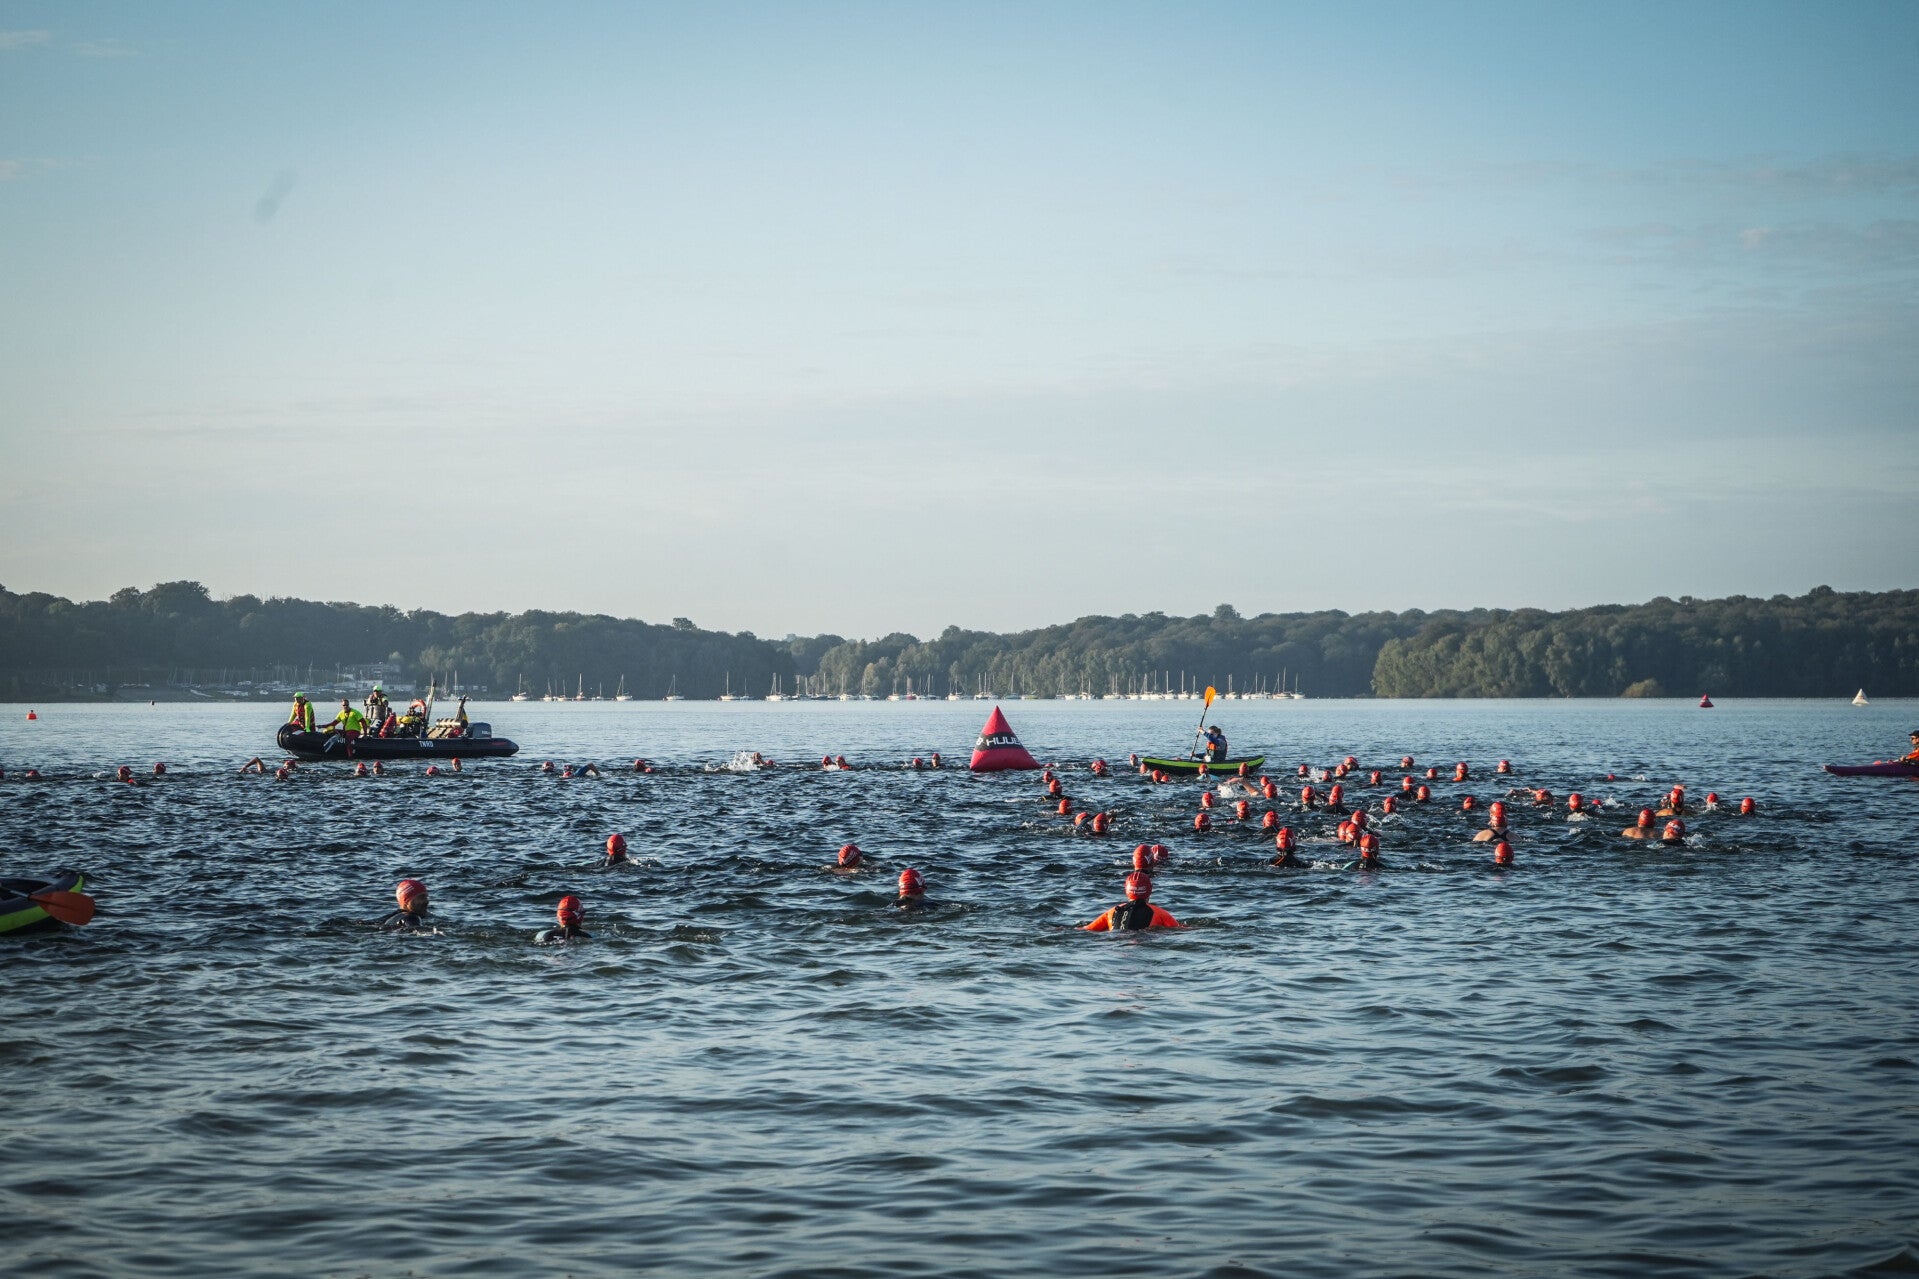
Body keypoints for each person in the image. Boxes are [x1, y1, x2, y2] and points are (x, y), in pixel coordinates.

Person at [1084, 870, 1180, 931]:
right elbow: (1178, 930)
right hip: (1143, 943)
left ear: (1126, 889)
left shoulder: (1112, 912)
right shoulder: (1159, 913)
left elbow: (1086, 930)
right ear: (1150, 889)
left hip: (1117, 945)